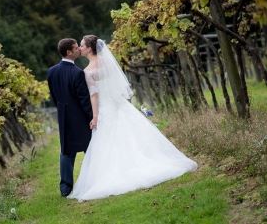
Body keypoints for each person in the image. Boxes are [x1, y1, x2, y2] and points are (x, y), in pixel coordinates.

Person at [67, 35, 198, 201]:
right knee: (131, 134)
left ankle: (121, 171)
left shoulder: (88, 71)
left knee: (109, 140)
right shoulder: (107, 62)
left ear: (90, 48)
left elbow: (94, 95)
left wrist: (95, 116)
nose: (80, 47)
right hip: (118, 104)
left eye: (82, 45)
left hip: (105, 108)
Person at [47, 38, 93, 197]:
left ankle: (65, 188)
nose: (79, 50)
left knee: (66, 151)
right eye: (75, 48)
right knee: (91, 148)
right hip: (80, 118)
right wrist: (92, 117)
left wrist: (62, 110)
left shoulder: (51, 72)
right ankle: (94, 179)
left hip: (63, 117)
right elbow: (84, 100)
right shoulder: (78, 73)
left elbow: (54, 96)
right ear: (69, 52)